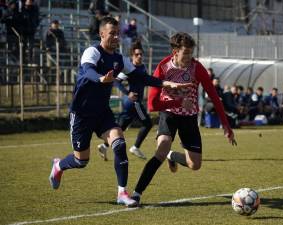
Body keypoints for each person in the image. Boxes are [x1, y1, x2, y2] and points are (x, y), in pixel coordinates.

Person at [48, 17, 190, 207]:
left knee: (119, 142)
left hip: (102, 113)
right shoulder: (92, 51)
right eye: (112, 34)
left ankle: (122, 193)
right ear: (102, 34)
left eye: (118, 34)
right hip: (81, 114)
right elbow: (87, 70)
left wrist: (167, 83)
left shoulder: (119, 59)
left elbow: (141, 77)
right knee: (81, 161)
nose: (116, 37)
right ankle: (58, 166)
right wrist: (100, 79)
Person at [130, 32, 236, 205]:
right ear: (175, 51)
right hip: (169, 114)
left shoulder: (197, 68)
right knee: (162, 148)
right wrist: (178, 101)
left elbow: (214, 97)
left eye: (191, 52)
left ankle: (173, 156)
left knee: (195, 165)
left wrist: (226, 125)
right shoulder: (163, 68)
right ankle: (136, 193)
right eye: (185, 53)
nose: (189, 57)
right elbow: (152, 106)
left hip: (189, 118)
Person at [98, 41, 158, 160]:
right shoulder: (130, 69)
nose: (139, 56)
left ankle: (104, 146)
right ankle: (135, 147)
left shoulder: (142, 67)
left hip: (132, 103)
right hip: (133, 102)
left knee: (121, 127)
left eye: (141, 54)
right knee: (147, 124)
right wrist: (128, 93)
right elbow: (116, 81)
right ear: (132, 56)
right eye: (137, 54)